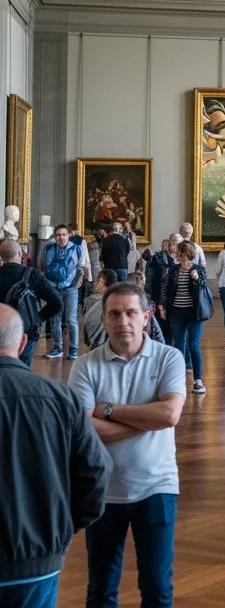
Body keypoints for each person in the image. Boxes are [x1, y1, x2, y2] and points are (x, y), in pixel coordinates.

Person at [68, 282, 187, 608]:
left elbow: (169, 413)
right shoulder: (86, 365)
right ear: (104, 320)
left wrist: (107, 410)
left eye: (131, 313)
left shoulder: (169, 358)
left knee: (157, 587)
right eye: (115, 314)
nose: (124, 321)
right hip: (103, 490)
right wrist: (148, 422)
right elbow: (82, 430)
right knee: (102, 589)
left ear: (146, 316)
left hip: (158, 485)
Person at [0, 304, 111, 607]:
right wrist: (63, 525)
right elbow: (97, 471)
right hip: (38, 558)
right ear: (23, 343)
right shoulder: (62, 399)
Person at [0, 236, 61, 365]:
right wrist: (37, 318)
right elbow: (57, 302)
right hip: (26, 332)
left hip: (1, 332)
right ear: (20, 254)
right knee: (22, 373)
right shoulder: (32, 275)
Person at [158, 240, 209, 395]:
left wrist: (196, 279)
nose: (176, 254)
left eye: (178, 251)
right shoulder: (173, 270)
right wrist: (162, 306)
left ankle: (198, 380)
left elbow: (203, 287)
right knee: (178, 345)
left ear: (184, 253)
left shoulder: (199, 269)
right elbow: (165, 288)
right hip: (176, 312)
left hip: (194, 313)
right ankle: (178, 380)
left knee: (194, 345)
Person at [43, 224, 85, 361]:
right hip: (54, 288)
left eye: (64, 234)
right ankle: (58, 347)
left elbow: (80, 267)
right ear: (55, 237)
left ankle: (73, 349)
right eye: (58, 235)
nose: (61, 237)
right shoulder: (49, 249)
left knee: (71, 319)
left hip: (70, 289)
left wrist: (74, 284)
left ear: (69, 235)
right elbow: (44, 266)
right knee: (55, 319)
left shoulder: (76, 248)